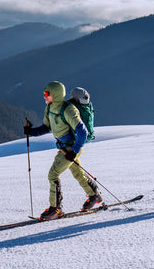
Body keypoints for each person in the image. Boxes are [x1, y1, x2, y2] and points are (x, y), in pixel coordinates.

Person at [24, 81, 102, 219]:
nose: (44, 96)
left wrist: (74, 150)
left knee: (53, 174)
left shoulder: (68, 110)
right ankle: (94, 195)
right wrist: (32, 131)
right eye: (44, 94)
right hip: (64, 147)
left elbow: (82, 132)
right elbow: (47, 127)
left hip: (71, 147)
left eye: (47, 94)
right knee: (77, 173)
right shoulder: (49, 108)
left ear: (55, 94)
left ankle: (56, 208)